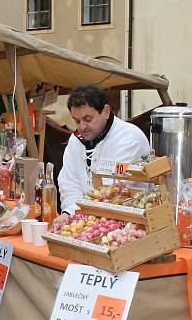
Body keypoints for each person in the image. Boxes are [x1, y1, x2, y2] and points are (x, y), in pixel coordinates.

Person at [55, 85, 151, 224]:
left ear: (106, 111)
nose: (82, 127)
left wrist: (85, 218)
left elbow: (116, 188)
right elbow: (69, 182)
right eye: (77, 121)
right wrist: (69, 212)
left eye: (88, 119)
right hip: (87, 219)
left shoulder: (129, 138)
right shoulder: (76, 140)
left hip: (128, 221)